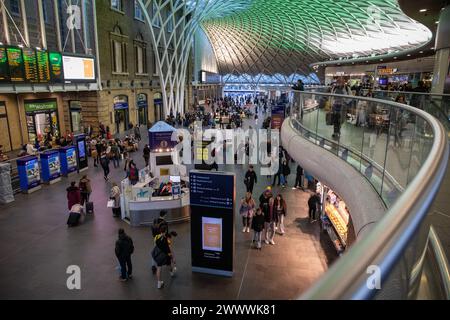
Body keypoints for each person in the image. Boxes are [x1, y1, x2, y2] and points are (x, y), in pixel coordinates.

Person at [152, 225, 176, 289]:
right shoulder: (166, 239)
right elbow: (169, 248)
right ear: (165, 231)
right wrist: (173, 257)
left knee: (159, 268)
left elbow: (155, 245)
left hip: (158, 255)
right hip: (165, 255)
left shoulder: (156, 237)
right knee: (169, 264)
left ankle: (159, 283)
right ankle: (171, 273)